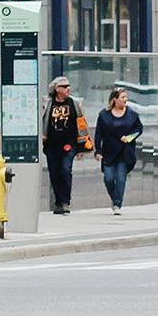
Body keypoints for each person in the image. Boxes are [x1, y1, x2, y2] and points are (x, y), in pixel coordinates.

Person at [92, 87, 143, 215]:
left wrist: (129, 137)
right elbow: (99, 135)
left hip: (125, 153)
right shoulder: (104, 116)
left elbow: (138, 129)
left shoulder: (132, 114)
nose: (126, 100)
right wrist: (98, 151)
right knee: (108, 179)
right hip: (109, 153)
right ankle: (115, 198)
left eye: (126, 97)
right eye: (123, 97)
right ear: (115, 100)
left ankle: (117, 204)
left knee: (121, 179)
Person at [41, 76, 86, 215]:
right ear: (56, 89)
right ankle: (58, 202)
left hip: (69, 144)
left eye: (68, 86)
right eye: (64, 86)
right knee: (54, 174)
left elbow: (81, 124)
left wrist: (81, 146)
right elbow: (43, 122)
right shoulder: (48, 104)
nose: (68, 89)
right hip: (52, 145)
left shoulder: (74, 103)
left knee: (65, 170)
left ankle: (65, 201)